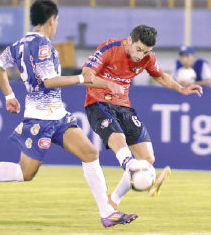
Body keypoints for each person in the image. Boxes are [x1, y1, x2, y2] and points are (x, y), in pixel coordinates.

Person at [0, 0, 138, 228]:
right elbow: (49, 81)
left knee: (90, 153)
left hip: (58, 116)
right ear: (51, 20)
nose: (57, 24)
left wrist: (9, 96)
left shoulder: (18, 44)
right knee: (25, 173)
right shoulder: (42, 45)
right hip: (40, 118)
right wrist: (82, 78)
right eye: (57, 20)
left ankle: (107, 212)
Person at [82, 24, 203, 209]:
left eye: (145, 52)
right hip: (98, 103)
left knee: (147, 160)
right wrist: (107, 83)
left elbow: (160, 76)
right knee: (119, 140)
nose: (140, 55)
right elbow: (86, 75)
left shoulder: (147, 58)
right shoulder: (109, 48)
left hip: (123, 106)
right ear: (129, 40)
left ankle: (113, 200)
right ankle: (132, 168)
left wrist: (181, 88)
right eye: (138, 49)